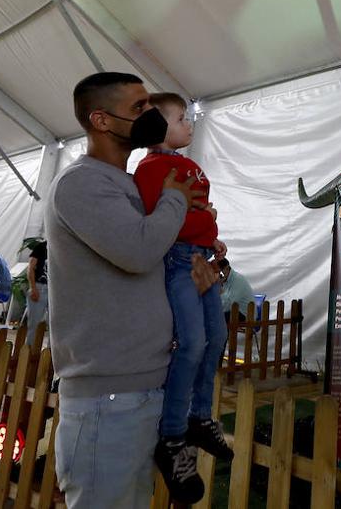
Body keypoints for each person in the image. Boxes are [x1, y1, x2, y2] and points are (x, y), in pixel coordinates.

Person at [48, 72, 204, 508]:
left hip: (144, 385)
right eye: (138, 108)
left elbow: (153, 263)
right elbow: (137, 251)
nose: (151, 115)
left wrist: (199, 270)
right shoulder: (81, 183)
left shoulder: (132, 184)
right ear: (100, 119)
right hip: (106, 396)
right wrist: (175, 200)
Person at [134, 92, 232, 493]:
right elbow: (160, 221)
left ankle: (200, 416)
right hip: (178, 261)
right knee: (191, 342)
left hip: (201, 260)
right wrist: (201, 226)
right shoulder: (150, 169)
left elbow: (197, 214)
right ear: (159, 127)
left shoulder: (183, 165)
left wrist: (213, 237)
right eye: (180, 119)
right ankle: (172, 433)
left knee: (218, 337)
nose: (189, 125)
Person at [22, 237, 49, 335]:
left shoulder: (61, 247)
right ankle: (30, 348)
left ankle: (50, 350)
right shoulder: (41, 247)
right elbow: (31, 268)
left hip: (55, 289)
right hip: (40, 287)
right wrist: (33, 288)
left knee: (55, 325)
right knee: (34, 324)